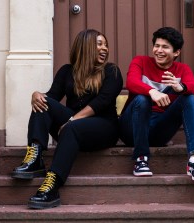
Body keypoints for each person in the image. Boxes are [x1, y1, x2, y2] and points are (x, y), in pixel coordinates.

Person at [11, 29, 123, 209]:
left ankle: (52, 186)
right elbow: (52, 97)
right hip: (72, 127)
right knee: (43, 102)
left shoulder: (112, 71)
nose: (105, 49)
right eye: (99, 44)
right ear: (85, 47)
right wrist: (36, 94)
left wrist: (73, 120)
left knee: (72, 127)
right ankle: (35, 156)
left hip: (103, 128)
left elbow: (102, 102)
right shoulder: (67, 71)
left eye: (106, 45)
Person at [119, 27, 194, 181]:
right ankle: (141, 159)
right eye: (157, 46)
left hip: (159, 132)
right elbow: (131, 82)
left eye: (165, 47)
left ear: (176, 52)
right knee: (142, 99)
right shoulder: (140, 61)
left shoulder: (182, 69)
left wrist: (181, 88)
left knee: (188, 97)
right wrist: (151, 92)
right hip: (131, 130)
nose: (159, 50)